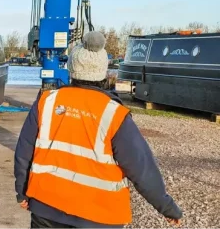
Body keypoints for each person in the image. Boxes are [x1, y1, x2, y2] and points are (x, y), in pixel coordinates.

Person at [13, 31, 182, 229]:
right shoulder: (114, 113)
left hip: (46, 207)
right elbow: (141, 168)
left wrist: (22, 192)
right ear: (102, 71)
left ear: (72, 68)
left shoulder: (47, 102)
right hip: (99, 215)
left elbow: (24, 152)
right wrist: (166, 207)